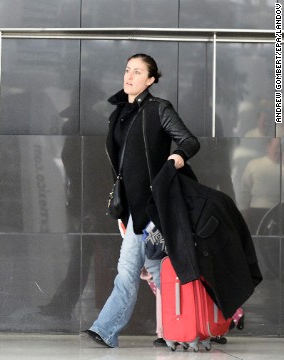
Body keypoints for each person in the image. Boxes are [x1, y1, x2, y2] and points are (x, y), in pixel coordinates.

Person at [82, 54, 200, 348]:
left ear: (150, 80)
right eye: (127, 70)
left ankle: (106, 329)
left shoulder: (159, 109)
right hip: (130, 205)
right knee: (158, 271)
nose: (129, 76)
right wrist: (121, 212)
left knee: (127, 268)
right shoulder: (120, 113)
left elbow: (189, 140)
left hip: (151, 203)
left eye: (137, 72)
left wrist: (176, 159)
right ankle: (177, 330)